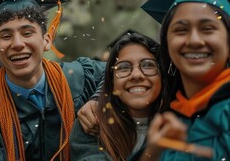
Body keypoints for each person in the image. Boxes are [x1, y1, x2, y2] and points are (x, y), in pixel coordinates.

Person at [0, 0, 105, 161]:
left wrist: (99, 97)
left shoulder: (80, 77)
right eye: (6, 36)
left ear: (47, 40)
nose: (17, 44)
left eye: (27, 33)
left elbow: (118, 71)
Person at [131, 0, 230, 160]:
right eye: (181, 30)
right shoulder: (168, 121)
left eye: (208, 28)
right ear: (167, 44)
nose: (194, 40)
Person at [70, 32, 171, 160]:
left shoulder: (183, 123)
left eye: (147, 65)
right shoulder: (92, 123)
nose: (136, 75)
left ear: (162, 75)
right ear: (112, 80)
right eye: (123, 67)